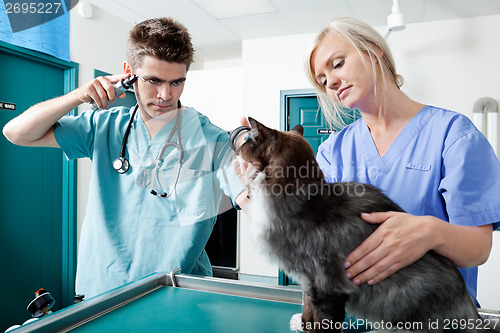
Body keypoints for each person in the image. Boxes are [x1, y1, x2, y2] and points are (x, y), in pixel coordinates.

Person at [3, 17, 248, 298]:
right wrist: (77, 96)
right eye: (153, 80)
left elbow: (249, 196)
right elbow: (16, 133)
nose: (166, 94)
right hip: (103, 291)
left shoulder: (211, 138)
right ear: (127, 74)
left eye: (177, 82)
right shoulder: (102, 126)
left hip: (180, 295)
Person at [303, 17, 500, 306]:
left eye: (337, 64)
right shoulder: (333, 151)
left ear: (373, 50)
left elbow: (479, 248)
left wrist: (431, 233)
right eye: (322, 81)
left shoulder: (453, 135)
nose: (330, 82)